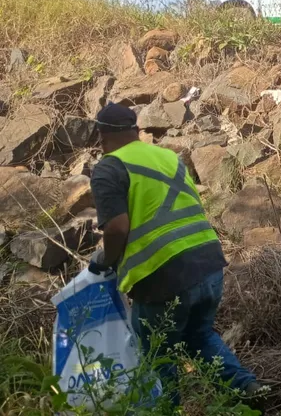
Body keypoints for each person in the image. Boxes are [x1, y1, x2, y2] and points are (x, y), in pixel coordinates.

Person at [88, 103, 262, 402]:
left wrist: (106, 260)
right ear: (136, 130)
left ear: (102, 136)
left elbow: (116, 228)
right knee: (199, 336)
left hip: (163, 276)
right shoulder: (168, 157)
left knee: (157, 356)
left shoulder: (109, 167)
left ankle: (165, 409)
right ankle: (248, 390)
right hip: (208, 262)